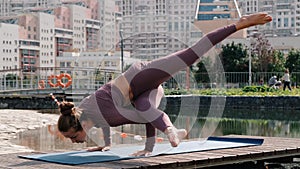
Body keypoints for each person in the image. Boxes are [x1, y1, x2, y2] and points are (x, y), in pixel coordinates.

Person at [55, 13, 272, 157]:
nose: (74, 142)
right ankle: (171, 132)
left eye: (73, 137)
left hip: (140, 76)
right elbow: (104, 120)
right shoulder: (83, 109)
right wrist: (108, 145)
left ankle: (238, 24)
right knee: (144, 108)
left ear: (81, 126)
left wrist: (160, 131)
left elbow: (136, 116)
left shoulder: (105, 113)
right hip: (145, 92)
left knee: (190, 56)